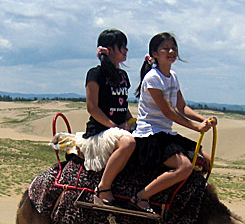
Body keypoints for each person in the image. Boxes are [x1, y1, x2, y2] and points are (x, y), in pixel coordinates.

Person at [130, 32, 217, 214]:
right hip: (150, 136)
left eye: (173, 48)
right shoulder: (153, 78)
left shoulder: (173, 76)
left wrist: (204, 120)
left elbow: (182, 106)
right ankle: (141, 196)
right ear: (154, 54)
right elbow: (168, 112)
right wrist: (196, 127)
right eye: (165, 48)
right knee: (184, 167)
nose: (171, 51)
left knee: (206, 160)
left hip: (166, 134)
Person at [84, 29, 136, 209]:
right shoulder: (95, 74)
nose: (126, 50)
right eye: (122, 46)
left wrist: (131, 122)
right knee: (128, 143)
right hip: (100, 132)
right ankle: (103, 188)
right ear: (109, 49)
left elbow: (122, 104)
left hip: (120, 129)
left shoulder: (123, 76)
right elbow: (92, 107)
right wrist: (115, 127)